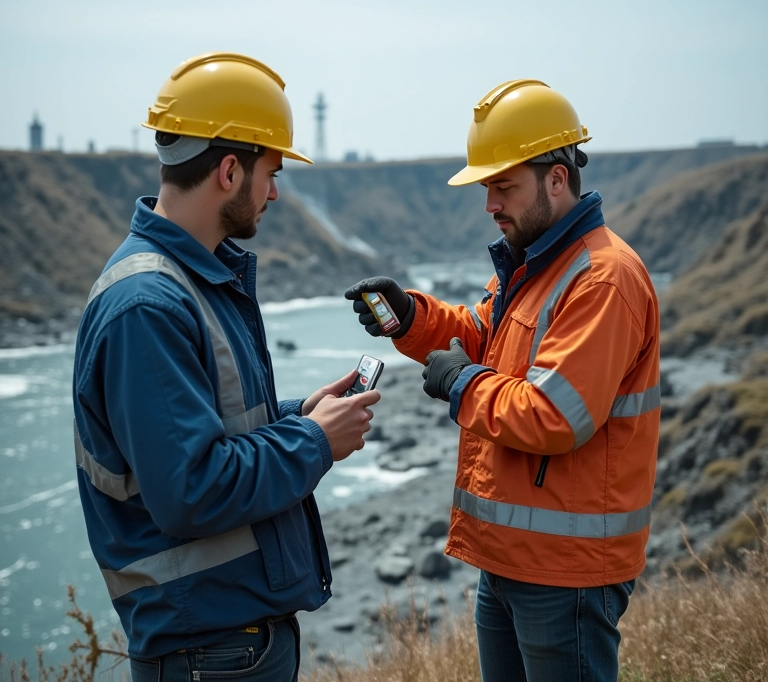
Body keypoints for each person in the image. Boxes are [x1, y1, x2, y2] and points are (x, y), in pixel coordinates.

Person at [73, 52, 380, 682]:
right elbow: (192, 491)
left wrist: (298, 413)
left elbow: (208, 433)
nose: (274, 192)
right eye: (271, 173)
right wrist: (316, 440)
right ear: (230, 169)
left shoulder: (195, 278)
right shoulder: (147, 307)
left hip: (226, 642)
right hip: (207, 651)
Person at [345, 79, 660, 682]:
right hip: (510, 560)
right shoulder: (534, 264)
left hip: (566, 573)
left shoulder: (602, 279)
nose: (490, 203)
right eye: (487, 187)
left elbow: (554, 416)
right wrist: (412, 318)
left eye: (503, 186)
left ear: (557, 179)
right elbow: (480, 336)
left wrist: (462, 382)